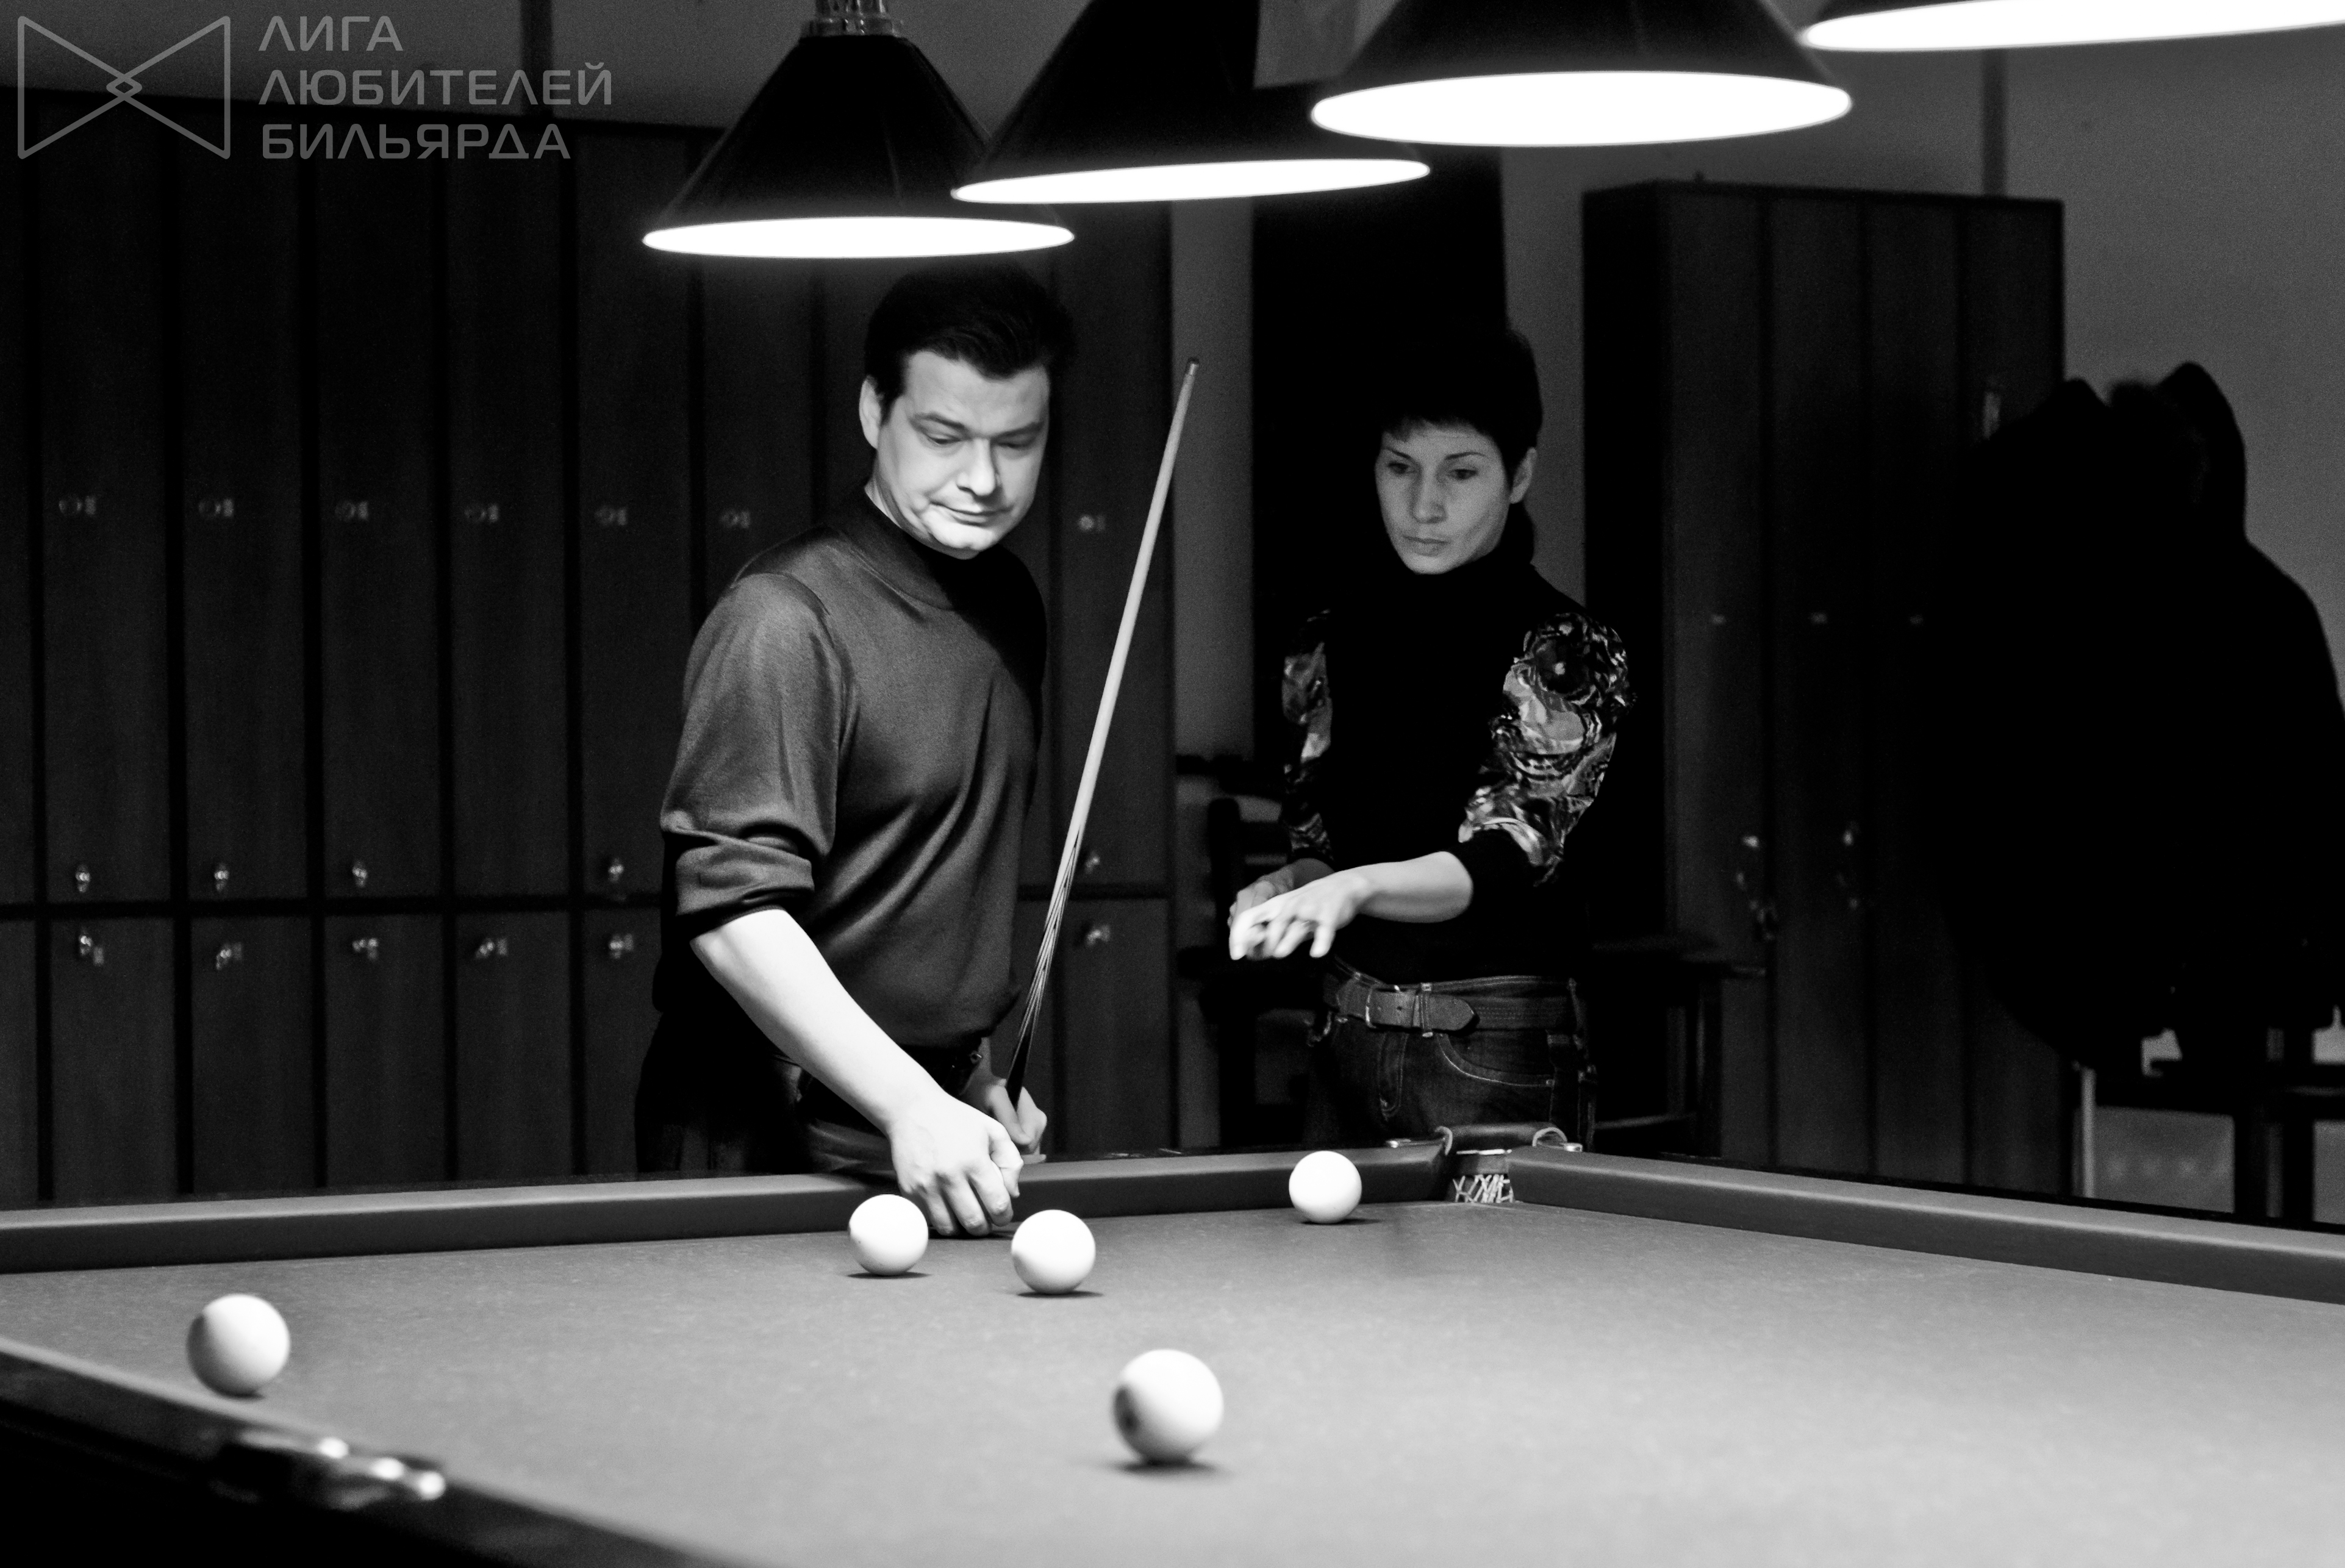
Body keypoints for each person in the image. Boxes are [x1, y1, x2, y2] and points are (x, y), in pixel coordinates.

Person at [638, 265, 1067, 1236]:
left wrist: (966, 1078)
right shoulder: (784, 617)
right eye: (944, 437)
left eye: (1017, 442)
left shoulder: (1009, 602)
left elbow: (930, 876)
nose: (984, 479)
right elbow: (733, 911)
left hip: (921, 1121)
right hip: (763, 1124)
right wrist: (908, 1100)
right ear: (876, 411)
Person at [1227, 326, 1632, 1142]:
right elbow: (1323, 843)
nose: (1424, 506)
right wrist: (1292, 888)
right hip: (1343, 1028)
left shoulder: (1564, 647)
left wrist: (1353, 889)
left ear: (1519, 475)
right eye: (1400, 468)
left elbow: (1502, 859)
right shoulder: (1325, 639)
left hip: (1490, 1042)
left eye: (1461, 472)